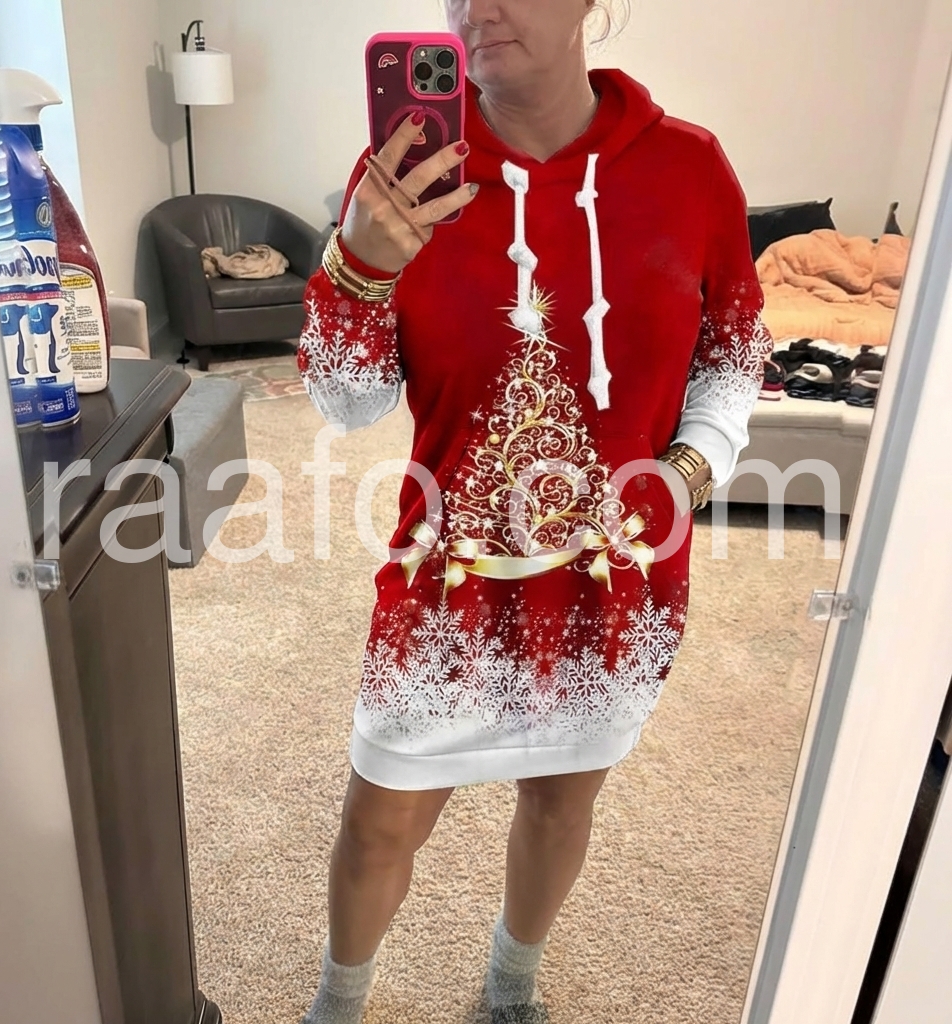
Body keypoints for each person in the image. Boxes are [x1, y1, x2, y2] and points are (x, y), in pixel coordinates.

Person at [295, 1, 772, 1021]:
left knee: (561, 799)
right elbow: (347, 402)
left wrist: (688, 470)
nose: (478, 7)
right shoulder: (402, 173)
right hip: (446, 578)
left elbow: (735, 351)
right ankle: (337, 1006)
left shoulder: (690, 170)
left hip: (614, 580)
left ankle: (511, 986)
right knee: (378, 823)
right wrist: (359, 263)